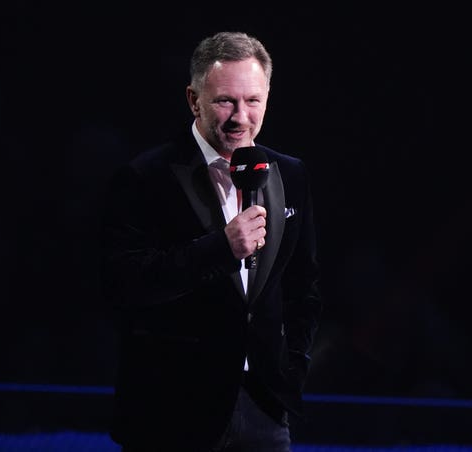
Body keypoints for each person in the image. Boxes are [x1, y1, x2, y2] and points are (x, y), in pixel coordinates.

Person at [100, 31, 322, 451]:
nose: (241, 116)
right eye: (225, 101)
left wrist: (290, 366)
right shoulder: (146, 177)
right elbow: (123, 284)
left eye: (253, 101)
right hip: (171, 411)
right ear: (193, 99)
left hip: (264, 408)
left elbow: (302, 287)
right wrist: (222, 247)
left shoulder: (290, 174)